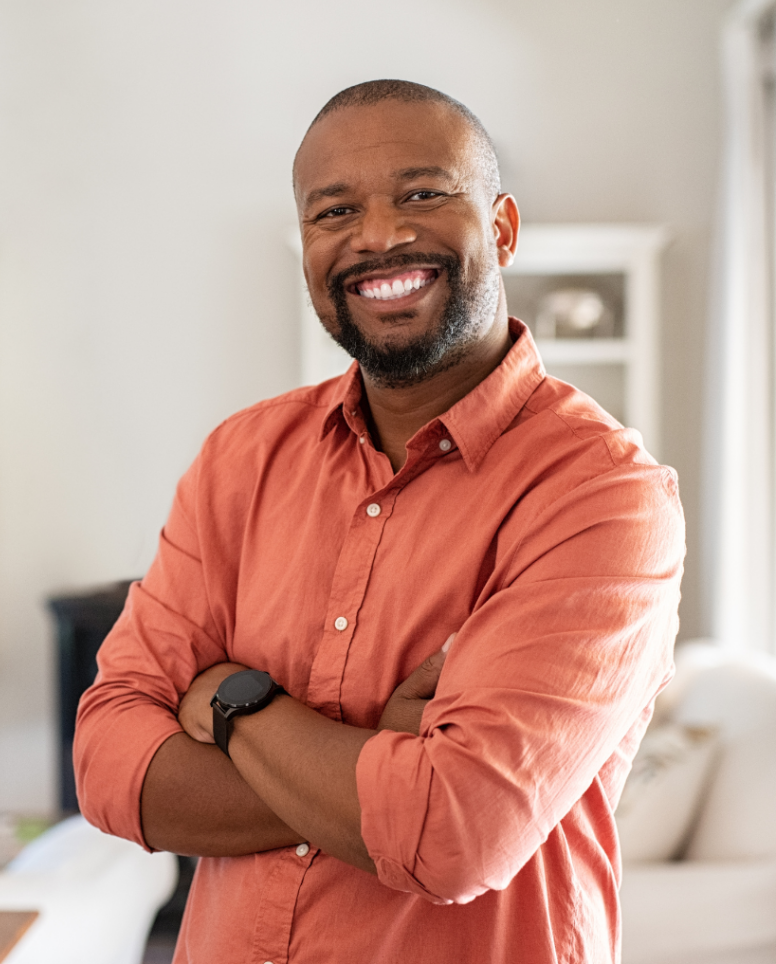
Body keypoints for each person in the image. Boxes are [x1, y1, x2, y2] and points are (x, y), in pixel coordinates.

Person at [74, 79, 685, 964]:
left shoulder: (601, 495)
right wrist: (377, 759)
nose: (377, 235)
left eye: (423, 193)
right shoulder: (239, 460)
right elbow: (106, 764)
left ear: (503, 226)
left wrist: (238, 707)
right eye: (334, 212)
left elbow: (454, 831)